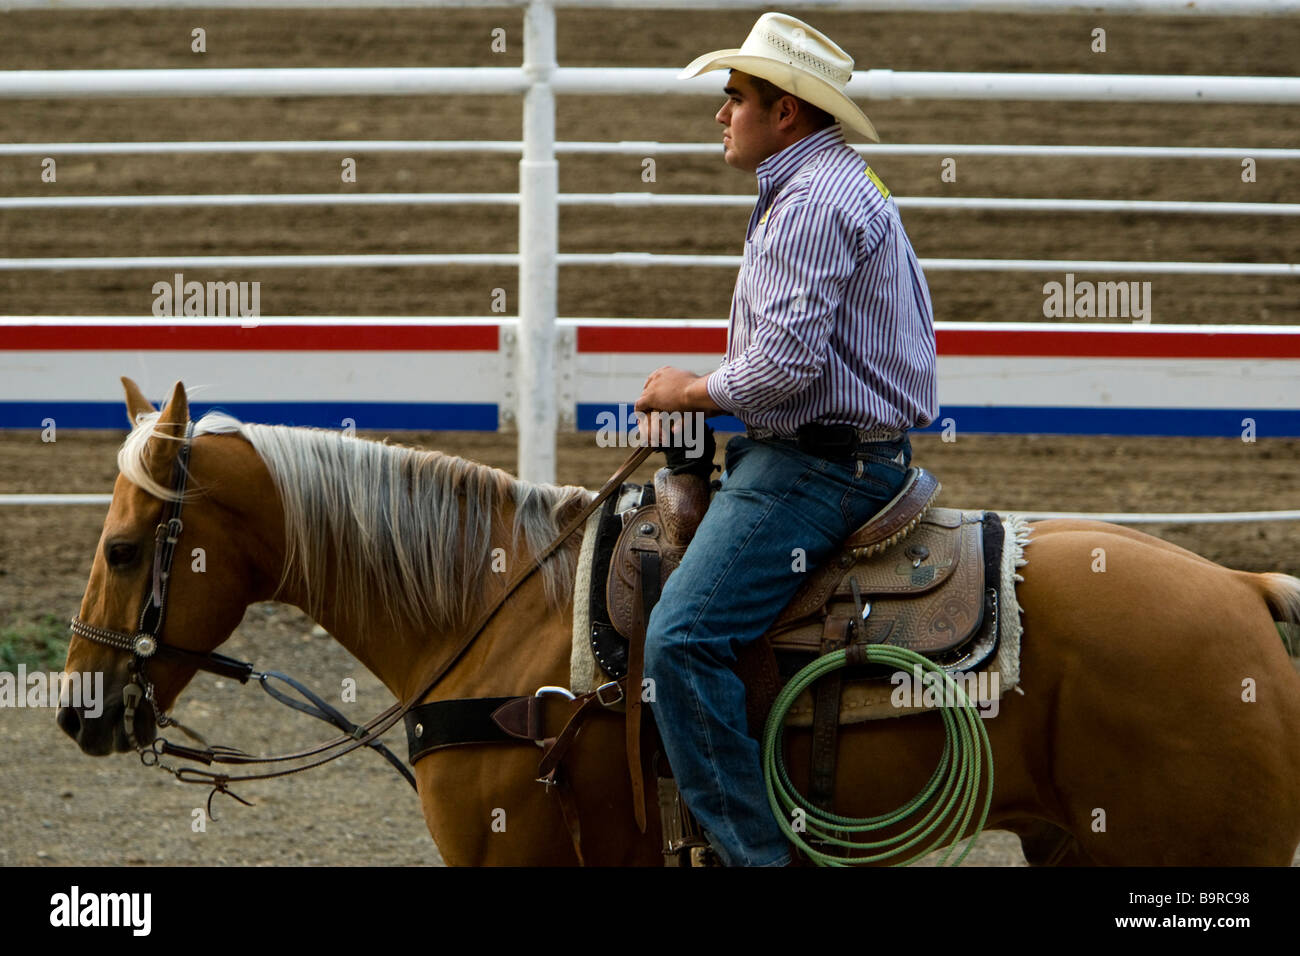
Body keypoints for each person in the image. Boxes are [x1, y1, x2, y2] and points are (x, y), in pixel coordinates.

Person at [633, 12, 939, 867]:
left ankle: (754, 859)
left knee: (682, 640)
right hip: (843, 451)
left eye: (734, 97)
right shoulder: (843, 183)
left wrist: (688, 389)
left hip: (820, 466)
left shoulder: (806, 204)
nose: (719, 114)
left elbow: (782, 374)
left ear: (786, 114)